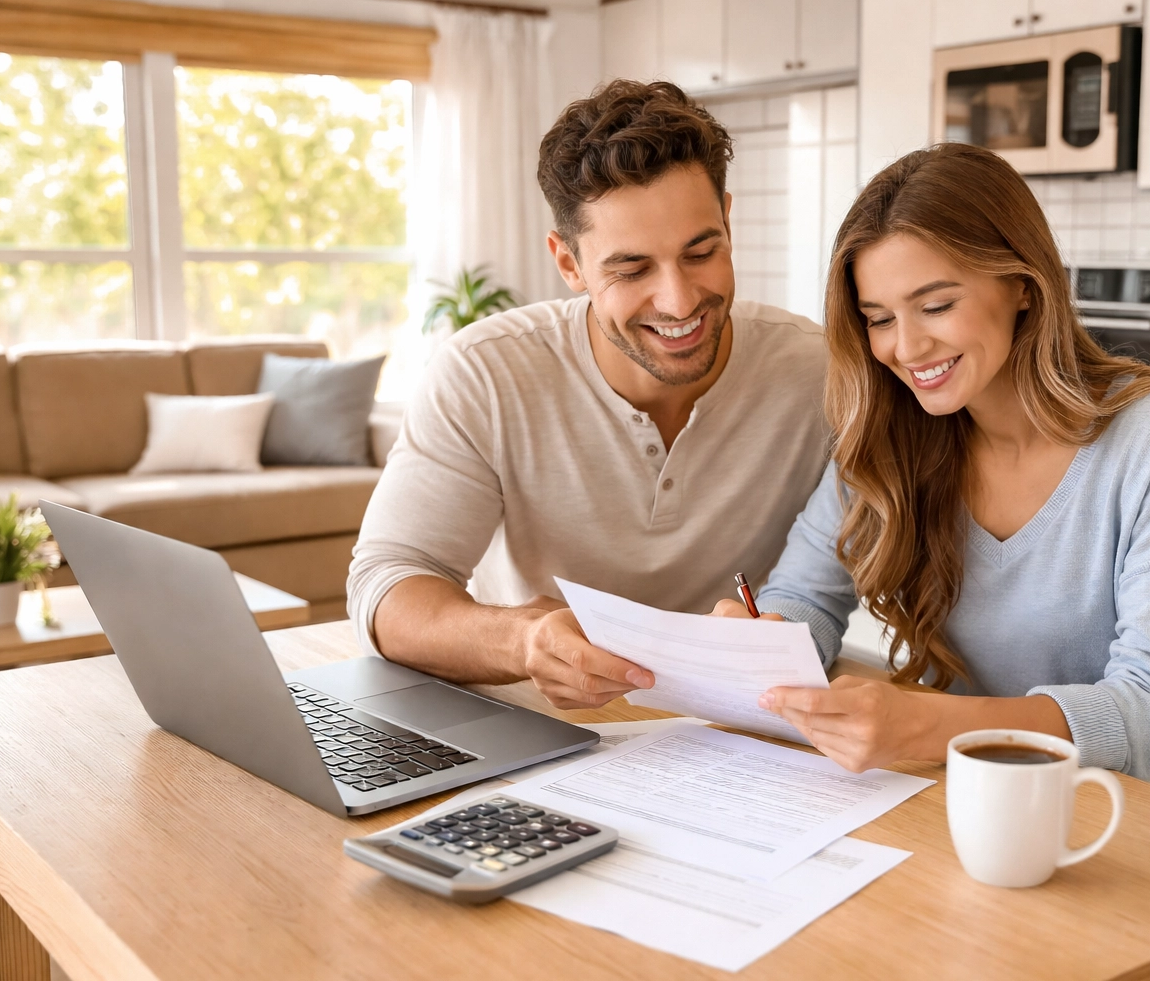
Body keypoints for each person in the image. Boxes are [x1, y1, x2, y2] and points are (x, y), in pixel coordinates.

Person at [711, 143, 1150, 981]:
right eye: (879, 317)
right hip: (988, 841)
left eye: (936, 304)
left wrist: (928, 728)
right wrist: (760, 645)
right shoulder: (891, 443)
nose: (905, 346)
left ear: (1022, 285)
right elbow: (802, 596)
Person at [348, 80, 830, 710]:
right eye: (631, 270)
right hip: (539, 726)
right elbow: (387, 590)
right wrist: (521, 640)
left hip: (734, 728)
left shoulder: (820, 372)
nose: (679, 301)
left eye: (701, 251)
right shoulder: (486, 372)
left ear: (728, 221)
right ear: (569, 264)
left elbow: (834, 580)